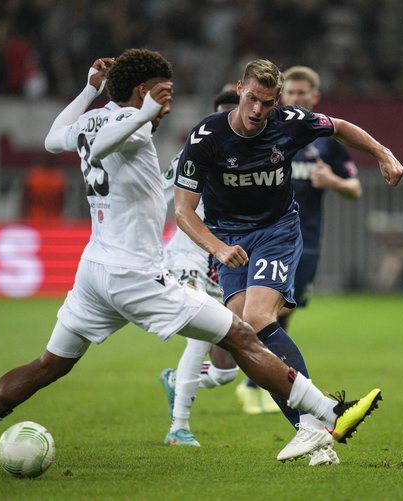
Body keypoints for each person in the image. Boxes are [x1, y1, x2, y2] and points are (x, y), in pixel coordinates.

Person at [0, 50, 381, 474]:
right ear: (143, 91)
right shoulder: (130, 126)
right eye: (164, 93)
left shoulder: (94, 120)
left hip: (94, 272)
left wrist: (90, 90)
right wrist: (142, 114)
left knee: (46, 365)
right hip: (135, 275)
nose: (168, 104)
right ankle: (329, 413)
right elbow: (105, 146)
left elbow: (56, 139)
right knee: (241, 333)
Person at [173, 59, 403, 464]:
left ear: (277, 100)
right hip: (230, 239)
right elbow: (183, 211)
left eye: (267, 103)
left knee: (258, 319)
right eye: (251, 99)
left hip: (276, 231)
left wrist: (382, 153)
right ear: (239, 89)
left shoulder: (291, 122)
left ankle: (316, 421)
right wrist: (218, 248)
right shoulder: (206, 137)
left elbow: (340, 127)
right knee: (241, 335)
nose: (257, 110)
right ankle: (313, 431)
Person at [235, 66, 363, 416]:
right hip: (267, 236)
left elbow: (355, 188)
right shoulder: (268, 133)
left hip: (307, 238)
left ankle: (259, 379)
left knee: (281, 312)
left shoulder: (325, 142)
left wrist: (333, 181)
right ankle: (259, 381)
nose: (294, 99)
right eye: (289, 93)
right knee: (268, 311)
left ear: (314, 97)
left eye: (301, 94)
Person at [158, 90, 245, 449]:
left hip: (223, 260)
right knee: (198, 338)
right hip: (189, 257)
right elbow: (159, 192)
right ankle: (179, 428)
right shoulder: (195, 151)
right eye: (223, 114)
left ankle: (175, 380)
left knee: (226, 372)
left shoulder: (252, 154)